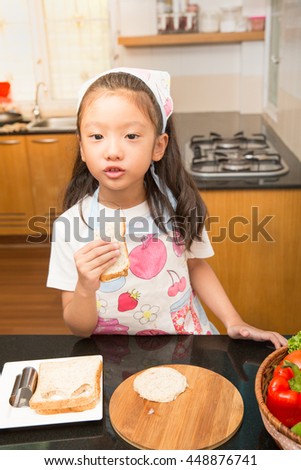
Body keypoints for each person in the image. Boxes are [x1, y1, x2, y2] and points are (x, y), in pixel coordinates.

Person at [47, 67, 286, 349]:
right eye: (97, 136)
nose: (112, 150)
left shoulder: (178, 206)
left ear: (158, 146)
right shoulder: (70, 226)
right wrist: (86, 287)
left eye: (131, 136)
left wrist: (233, 320)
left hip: (187, 346)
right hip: (117, 359)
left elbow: (196, 265)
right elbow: (79, 328)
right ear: (82, 148)